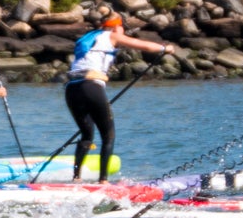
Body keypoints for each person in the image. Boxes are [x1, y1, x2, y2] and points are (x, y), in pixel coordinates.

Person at [65, 12, 169, 183]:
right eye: (122, 27)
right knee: (108, 135)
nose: (123, 31)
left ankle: (76, 178)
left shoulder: (88, 38)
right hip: (91, 86)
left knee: (86, 134)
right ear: (115, 26)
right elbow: (142, 45)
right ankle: (103, 181)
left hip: (71, 89)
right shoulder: (111, 36)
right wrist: (165, 49)